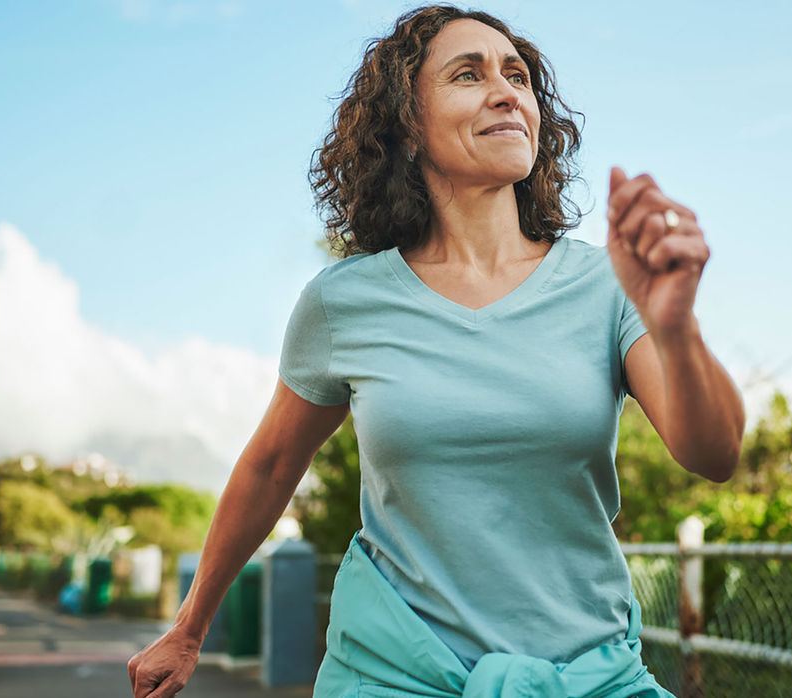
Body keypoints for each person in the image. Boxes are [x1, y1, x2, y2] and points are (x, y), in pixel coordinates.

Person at [128, 4, 745, 697]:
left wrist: (676, 326)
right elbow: (272, 465)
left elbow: (713, 455)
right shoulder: (344, 302)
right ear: (409, 126)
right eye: (468, 74)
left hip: (588, 677)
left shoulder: (606, 283)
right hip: (395, 674)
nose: (507, 91)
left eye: (516, 75)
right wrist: (188, 628)